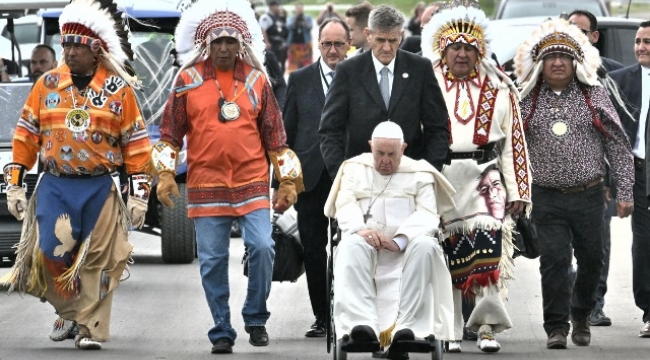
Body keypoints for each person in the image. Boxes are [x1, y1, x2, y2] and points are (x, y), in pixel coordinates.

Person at [152, 0, 304, 354]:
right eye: (217, 42)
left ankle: (255, 316)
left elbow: (276, 140)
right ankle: (221, 326)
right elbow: (170, 134)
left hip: (251, 182)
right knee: (212, 260)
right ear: (206, 44)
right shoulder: (187, 80)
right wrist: (163, 174)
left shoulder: (257, 80)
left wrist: (286, 181)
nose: (223, 48)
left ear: (241, 45)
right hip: (206, 184)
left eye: (230, 42)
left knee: (264, 247)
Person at [0, 0, 150, 350]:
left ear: (96, 49)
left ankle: (90, 328)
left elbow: (137, 144)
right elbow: (25, 135)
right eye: (64, 44)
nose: (67, 51)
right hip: (55, 185)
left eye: (75, 46)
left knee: (98, 262)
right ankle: (69, 310)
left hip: (99, 187)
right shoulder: (47, 85)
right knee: (53, 254)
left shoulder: (118, 89)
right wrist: (15, 185)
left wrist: (139, 194)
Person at [515, 18, 634, 349]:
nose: (557, 62)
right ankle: (555, 326)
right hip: (545, 197)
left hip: (589, 195)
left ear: (575, 62)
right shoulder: (526, 97)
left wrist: (624, 190)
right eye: (551, 57)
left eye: (564, 57)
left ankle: (581, 315)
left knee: (593, 259)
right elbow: (511, 146)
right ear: (540, 63)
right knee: (554, 261)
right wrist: (515, 192)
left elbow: (618, 143)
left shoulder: (593, 94)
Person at [421, 0, 532, 352]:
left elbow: (514, 142)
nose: (462, 55)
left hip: (487, 176)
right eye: (455, 47)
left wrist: (519, 189)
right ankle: (450, 329)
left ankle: (486, 327)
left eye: (469, 48)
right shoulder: (428, 82)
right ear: (444, 49)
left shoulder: (500, 87)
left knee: (489, 249)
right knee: (448, 253)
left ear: (479, 50)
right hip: (442, 176)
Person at [324, 121, 455, 360]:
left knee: (427, 246)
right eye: (379, 153)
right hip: (367, 249)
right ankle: (362, 326)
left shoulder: (420, 173)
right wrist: (361, 230)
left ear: (403, 148)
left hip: (406, 253)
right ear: (370, 147)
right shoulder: (353, 170)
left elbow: (428, 214)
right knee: (348, 245)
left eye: (391, 154)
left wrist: (400, 240)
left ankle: (410, 328)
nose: (385, 161)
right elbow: (345, 205)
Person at [319, 5, 449, 181]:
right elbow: (330, 129)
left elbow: (437, 127)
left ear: (401, 36)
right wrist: (341, 175)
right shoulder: (348, 71)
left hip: (412, 178)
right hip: (360, 178)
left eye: (393, 40)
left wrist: (429, 173)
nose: (387, 48)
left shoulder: (420, 68)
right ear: (368, 35)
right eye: (380, 40)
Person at [282, 17, 350, 338]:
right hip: (309, 179)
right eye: (327, 44)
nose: (333, 50)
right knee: (313, 249)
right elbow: (286, 133)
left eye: (339, 43)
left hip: (349, 178)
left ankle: (349, 313)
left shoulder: (361, 77)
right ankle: (322, 316)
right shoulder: (299, 80)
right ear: (318, 45)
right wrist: (281, 183)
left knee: (350, 247)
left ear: (348, 44)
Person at [567, 8, 624, 329]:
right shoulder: (546, 73)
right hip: (553, 181)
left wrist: (613, 182)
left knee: (595, 247)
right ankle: (565, 303)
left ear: (593, 37)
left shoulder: (611, 77)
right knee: (558, 249)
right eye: (568, 28)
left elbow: (619, 136)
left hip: (597, 180)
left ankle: (593, 306)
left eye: (579, 30)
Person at [609, 20, 650, 339]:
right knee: (644, 243)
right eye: (638, 41)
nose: (640, 47)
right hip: (638, 173)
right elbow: (609, 133)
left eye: (647, 41)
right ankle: (649, 309)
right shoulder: (619, 80)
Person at [259, 0, 289, 73]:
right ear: (271, 7)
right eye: (276, 6)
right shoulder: (266, 17)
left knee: (279, 63)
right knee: (272, 64)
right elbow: (263, 30)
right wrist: (267, 42)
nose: (278, 8)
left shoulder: (276, 16)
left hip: (278, 44)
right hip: (272, 44)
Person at [286, 2, 314, 73]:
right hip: (294, 44)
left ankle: (305, 75)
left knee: (306, 62)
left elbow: (310, 27)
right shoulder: (292, 17)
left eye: (301, 9)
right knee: (294, 63)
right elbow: (288, 27)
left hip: (305, 43)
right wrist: (296, 19)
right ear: (296, 9)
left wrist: (304, 20)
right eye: (298, 9)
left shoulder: (307, 17)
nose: (299, 10)